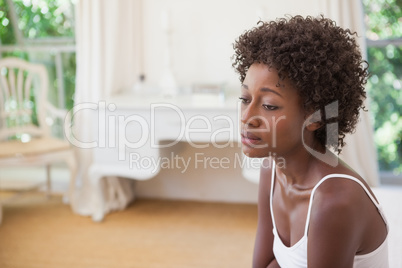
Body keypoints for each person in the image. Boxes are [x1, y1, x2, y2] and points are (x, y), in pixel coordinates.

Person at [232, 15, 389, 268]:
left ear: (315, 117)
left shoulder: (334, 201)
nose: (247, 118)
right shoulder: (271, 170)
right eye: (244, 99)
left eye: (269, 106)